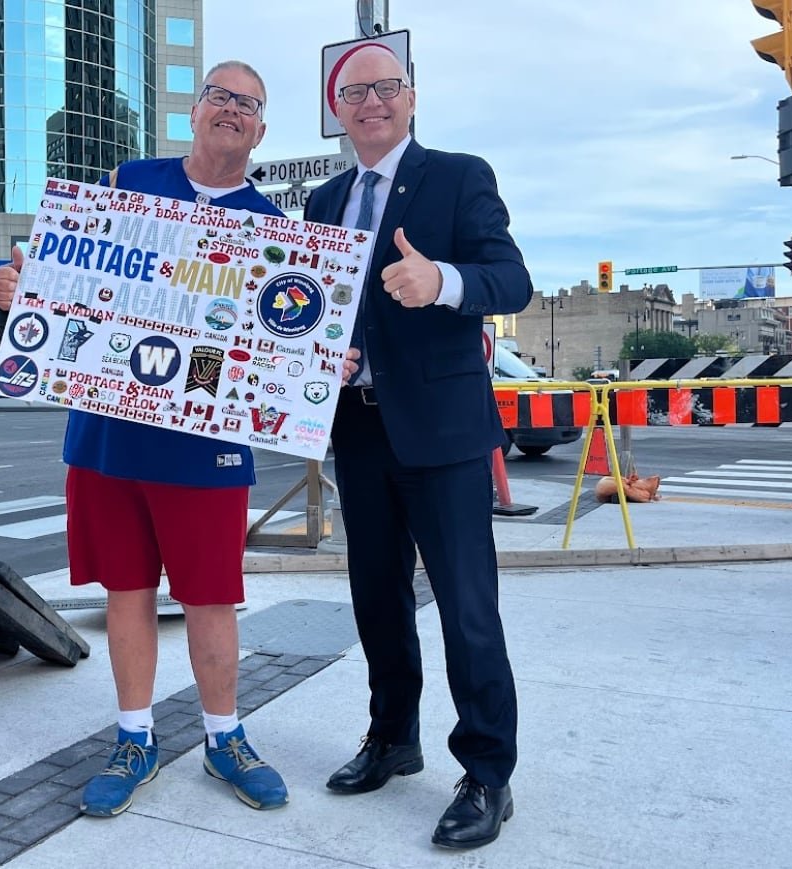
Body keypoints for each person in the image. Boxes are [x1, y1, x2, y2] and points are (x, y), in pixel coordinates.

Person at [0, 61, 292, 817]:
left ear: (260, 130)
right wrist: (20, 290)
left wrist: (320, 361)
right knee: (127, 592)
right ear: (195, 111)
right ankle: (134, 737)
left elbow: (280, 343)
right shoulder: (129, 181)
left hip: (204, 441)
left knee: (212, 597)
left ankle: (225, 737)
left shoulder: (274, 230)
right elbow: (71, 284)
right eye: (219, 95)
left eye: (247, 103)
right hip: (111, 432)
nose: (231, 109)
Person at [303, 45, 532, 850]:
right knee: (377, 598)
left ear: (411, 98)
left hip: (445, 433)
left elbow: (512, 279)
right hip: (359, 427)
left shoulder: (459, 177)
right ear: (337, 108)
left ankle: (488, 772)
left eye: (386, 87)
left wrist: (443, 281)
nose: (372, 101)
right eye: (355, 91)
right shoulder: (324, 200)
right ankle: (393, 736)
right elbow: (310, 305)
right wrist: (321, 353)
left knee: (467, 608)